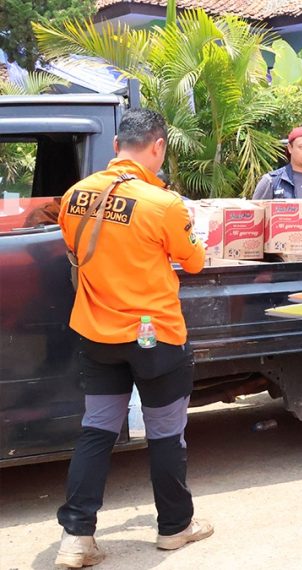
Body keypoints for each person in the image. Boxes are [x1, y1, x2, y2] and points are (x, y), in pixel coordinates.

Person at [54, 108, 212, 568]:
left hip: (97, 333)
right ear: (158, 146)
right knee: (166, 434)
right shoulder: (162, 204)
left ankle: (76, 537)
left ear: (117, 145)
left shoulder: (75, 195)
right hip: (154, 338)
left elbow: (73, 247)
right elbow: (196, 261)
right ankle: (174, 528)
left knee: (96, 431)